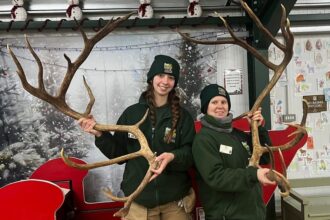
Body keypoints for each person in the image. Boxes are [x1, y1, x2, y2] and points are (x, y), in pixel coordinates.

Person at [78, 55, 196, 220]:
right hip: (139, 203)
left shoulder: (184, 117)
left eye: (171, 77)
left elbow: (191, 154)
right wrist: (99, 134)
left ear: (175, 83)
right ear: (151, 78)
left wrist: (173, 156)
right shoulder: (131, 114)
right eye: (160, 75)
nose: (165, 81)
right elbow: (117, 154)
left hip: (175, 203)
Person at [192, 84, 274, 220]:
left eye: (224, 102)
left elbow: (265, 158)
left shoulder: (238, 135)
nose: (220, 106)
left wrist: (258, 129)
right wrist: (253, 174)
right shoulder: (203, 140)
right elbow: (216, 177)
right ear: (206, 107)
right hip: (227, 216)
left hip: (253, 213)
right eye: (214, 102)